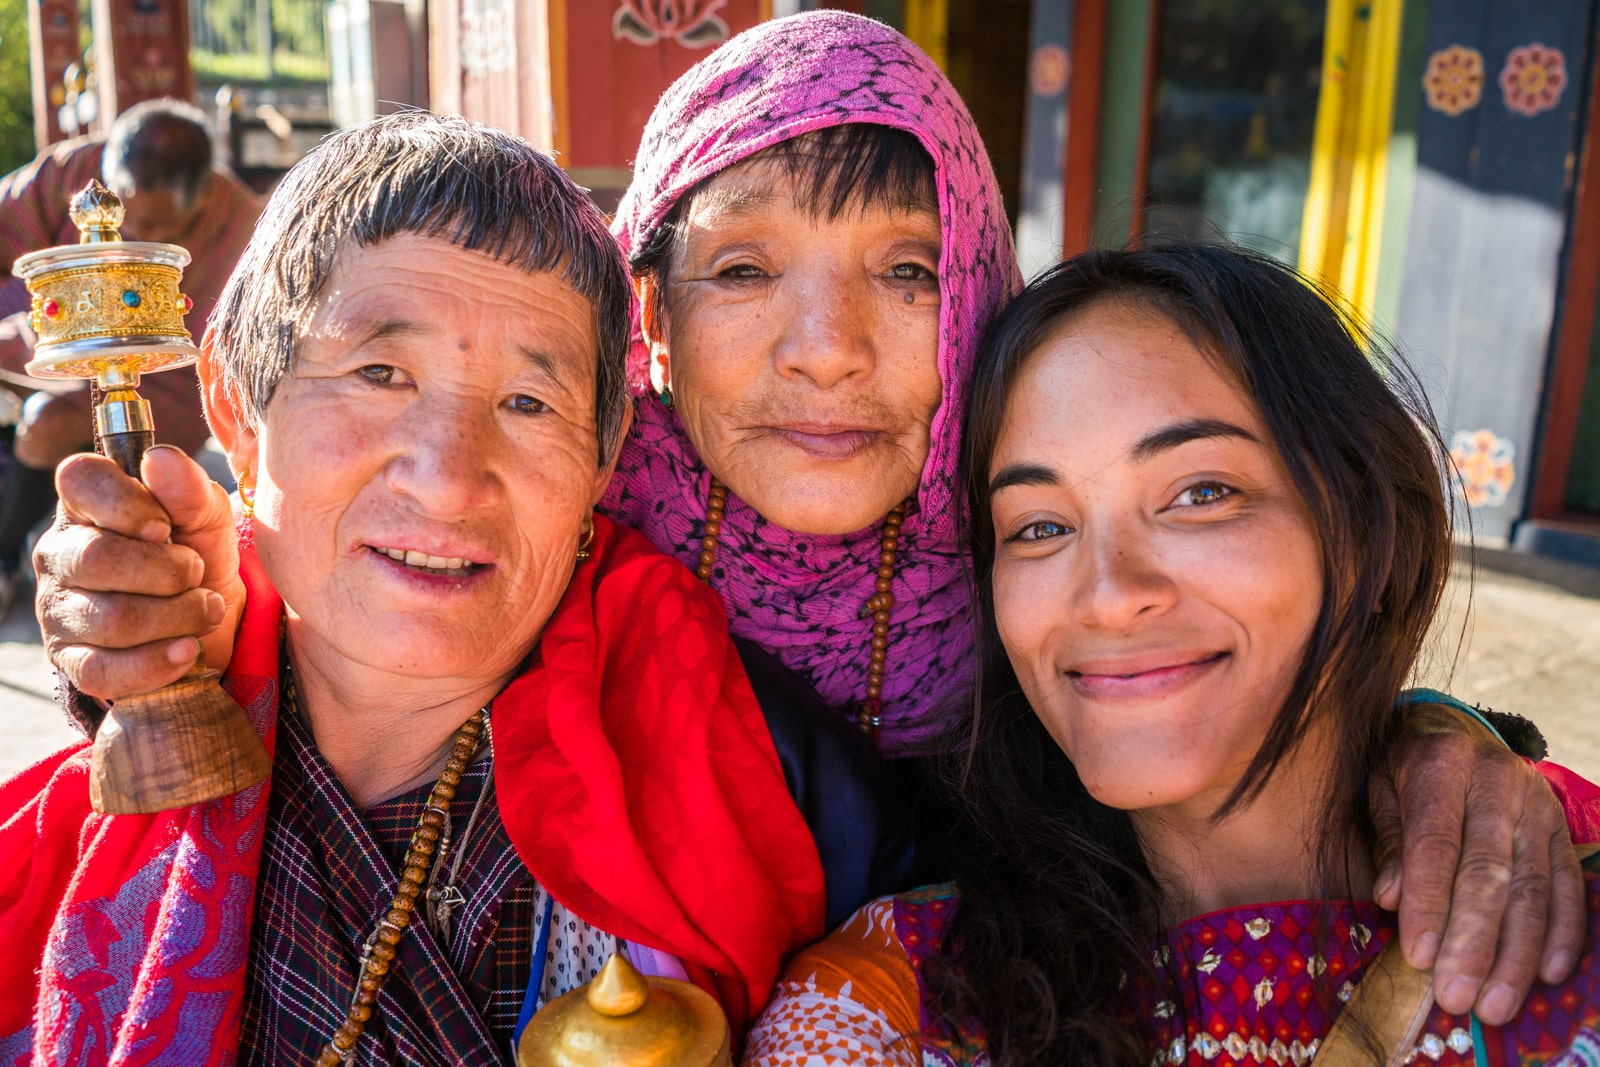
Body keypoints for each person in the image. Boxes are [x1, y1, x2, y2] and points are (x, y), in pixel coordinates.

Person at [29, 10, 1597, 1026]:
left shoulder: (1042, 599)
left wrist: (1430, 740)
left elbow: (1253, 666)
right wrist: (184, 589)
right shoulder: (557, 548)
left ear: (977, 280)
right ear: (645, 329)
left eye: (908, 271)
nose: (827, 349)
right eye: (740, 267)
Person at [0, 112, 825, 1065]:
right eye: (379, 372)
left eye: (529, 402)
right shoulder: (93, 815)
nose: (446, 476)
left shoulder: (758, 777)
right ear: (237, 407)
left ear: (602, 461)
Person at [743, 245, 1600, 1066]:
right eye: (1040, 526)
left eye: (1202, 493)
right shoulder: (890, 1003)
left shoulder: (1563, 919)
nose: (1109, 593)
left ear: (1367, 538)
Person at [0, 98, 261, 603]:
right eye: (130, 222)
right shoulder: (65, 174)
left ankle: (7, 553)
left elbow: (240, 351)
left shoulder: (242, 228)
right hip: (39, 343)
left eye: (160, 231)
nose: (132, 241)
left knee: (49, 425)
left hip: (169, 376)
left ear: (202, 200)